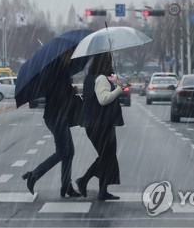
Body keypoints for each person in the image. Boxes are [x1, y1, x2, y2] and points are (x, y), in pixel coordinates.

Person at [22, 48, 82, 198]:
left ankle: (66, 186)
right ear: (61, 56)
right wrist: (70, 91)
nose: (70, 58)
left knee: (69, 152)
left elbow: (62, 93)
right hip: (55, 116)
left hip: (60, 116)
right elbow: (58, 93)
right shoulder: (54, 72)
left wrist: (71, 90)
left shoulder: (61, 71)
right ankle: (35, 175)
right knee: (63, 152)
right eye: (68, 55)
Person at [76, 52, 124, 201]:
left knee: (106, 157)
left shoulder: (91, 77)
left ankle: (102, 191)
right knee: (106, 157)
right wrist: (119, 89)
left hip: (95, 124)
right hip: (101, 125)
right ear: (106, 62)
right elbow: (103, 99)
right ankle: (84, 180)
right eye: (109, 60)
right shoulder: (101, 78)